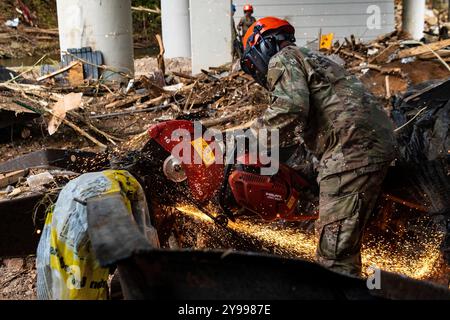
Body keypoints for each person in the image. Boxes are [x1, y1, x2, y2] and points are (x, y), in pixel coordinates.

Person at [240, 17, 397, 277]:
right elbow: (320, 115)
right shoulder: (315, 59)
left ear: (263, 46)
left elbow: (289, 109)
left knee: (333, 260)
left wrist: (246, 141)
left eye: (251, 63)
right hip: (369, 141)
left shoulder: (283, 58)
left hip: (351, 150)